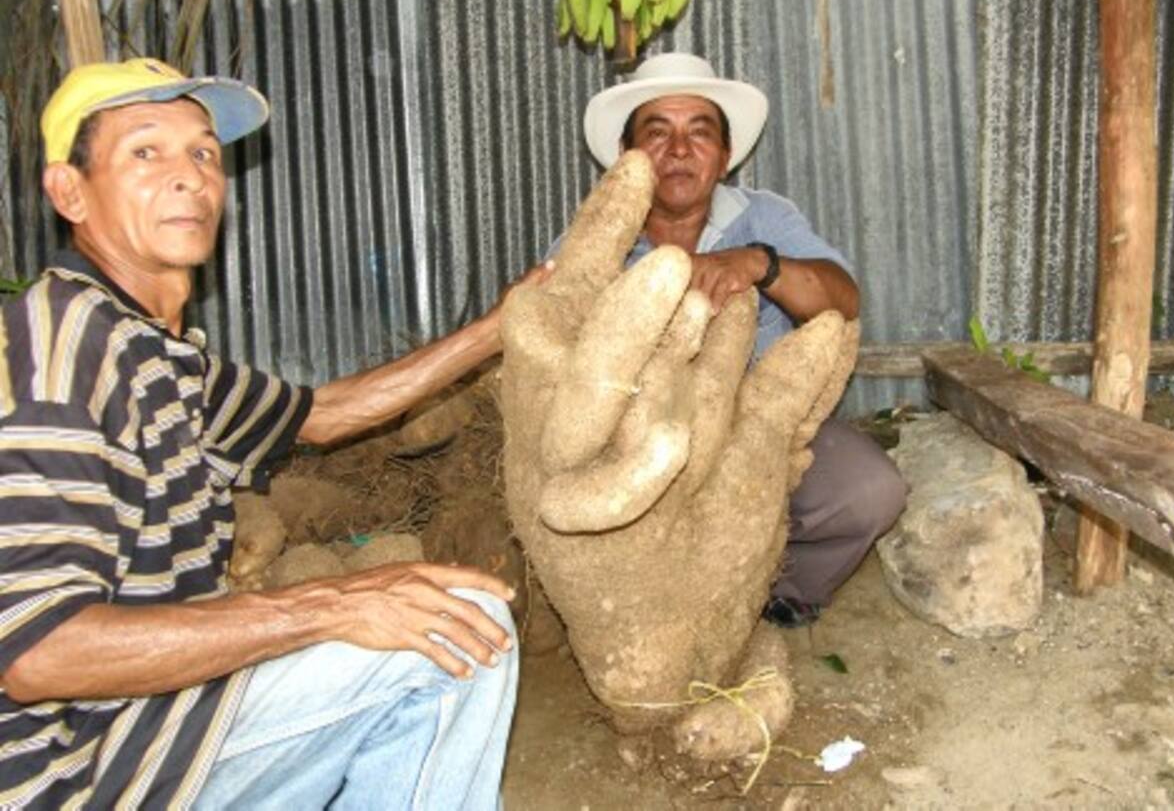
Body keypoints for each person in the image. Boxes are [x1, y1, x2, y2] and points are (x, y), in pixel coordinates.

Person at [0, 58, 537, 809]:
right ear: (69, 191)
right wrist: (330, 603)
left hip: (166, 720)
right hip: (94, 772)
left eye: (204, 153)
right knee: (459, 635)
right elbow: (37, 650)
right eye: (146, 151)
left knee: (433, 613)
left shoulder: (151, 348)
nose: (189, 175)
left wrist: (493, 330)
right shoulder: (64, 356)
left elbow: (320, 414)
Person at [580, 52, 907, 627]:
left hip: (764, 431)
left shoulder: (766, 217)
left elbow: (843, 299)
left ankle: (780, 592)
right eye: (657, 132)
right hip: (643, 446)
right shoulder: (595, 238)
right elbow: (549, 332)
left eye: (699, 132)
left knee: (869, 491)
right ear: (626, 157)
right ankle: (661, 611)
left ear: (725, 157)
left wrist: (760, 263)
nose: (679, 149)